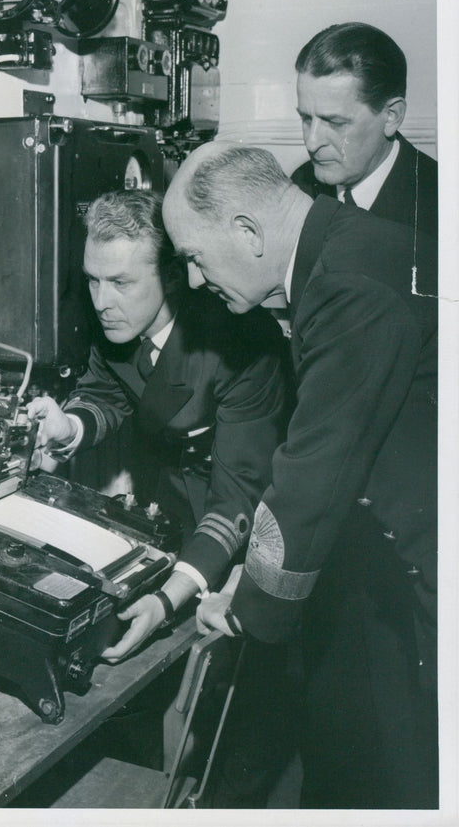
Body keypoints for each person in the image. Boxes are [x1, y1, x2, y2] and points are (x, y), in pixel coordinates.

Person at [162, 141, 438, 809]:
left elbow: (315, 469)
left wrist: (250, 605)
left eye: (195, 257)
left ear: (248, 232)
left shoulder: (344, 288)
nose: (195, 282)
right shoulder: (345, 249)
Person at [27, 189, 291, 661]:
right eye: (93, 281)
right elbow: (106, 393)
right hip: (169, 512)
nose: (101, 301)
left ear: (171, 278)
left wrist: (167, 599)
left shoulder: (242, 343)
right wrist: (69, 426)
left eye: (121, 282)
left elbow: (239, 496)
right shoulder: (118, 323)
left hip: (246, 528)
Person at [293, 22, 437, 291]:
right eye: (305, 118)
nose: (312, 143)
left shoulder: (442, 207)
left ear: (391, 116)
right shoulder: (300, 186)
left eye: (334, 122)